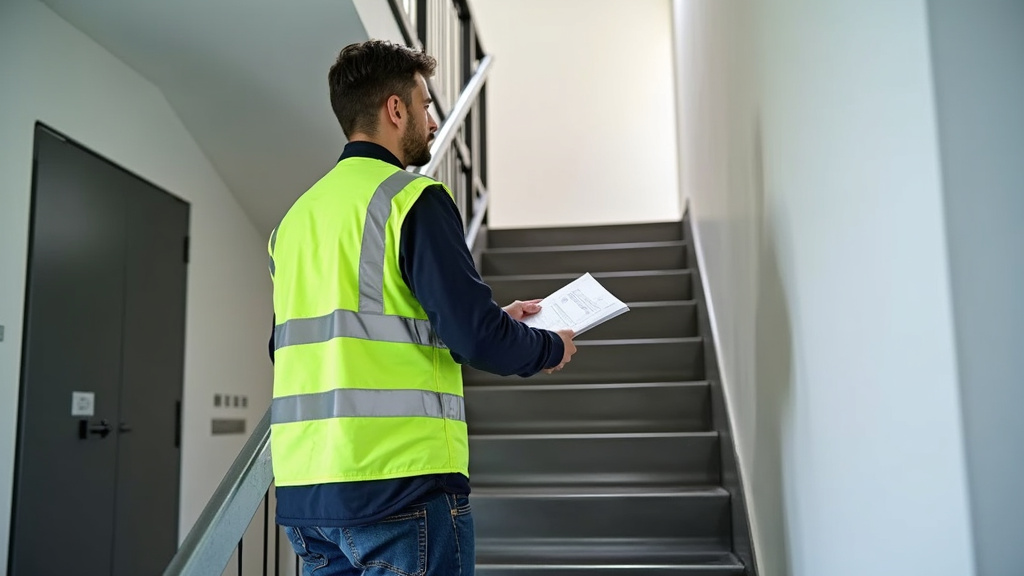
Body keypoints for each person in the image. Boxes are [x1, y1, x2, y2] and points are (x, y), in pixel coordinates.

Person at [267, 40, 577, 575]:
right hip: (400, 489)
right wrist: (549, 346)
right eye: (426, 104)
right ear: (395, 109)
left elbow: (301, 346)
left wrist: (489, 318)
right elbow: (477, 339)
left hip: (307, 496)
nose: (433, 121)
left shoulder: (294, 221)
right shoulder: (413, 199)